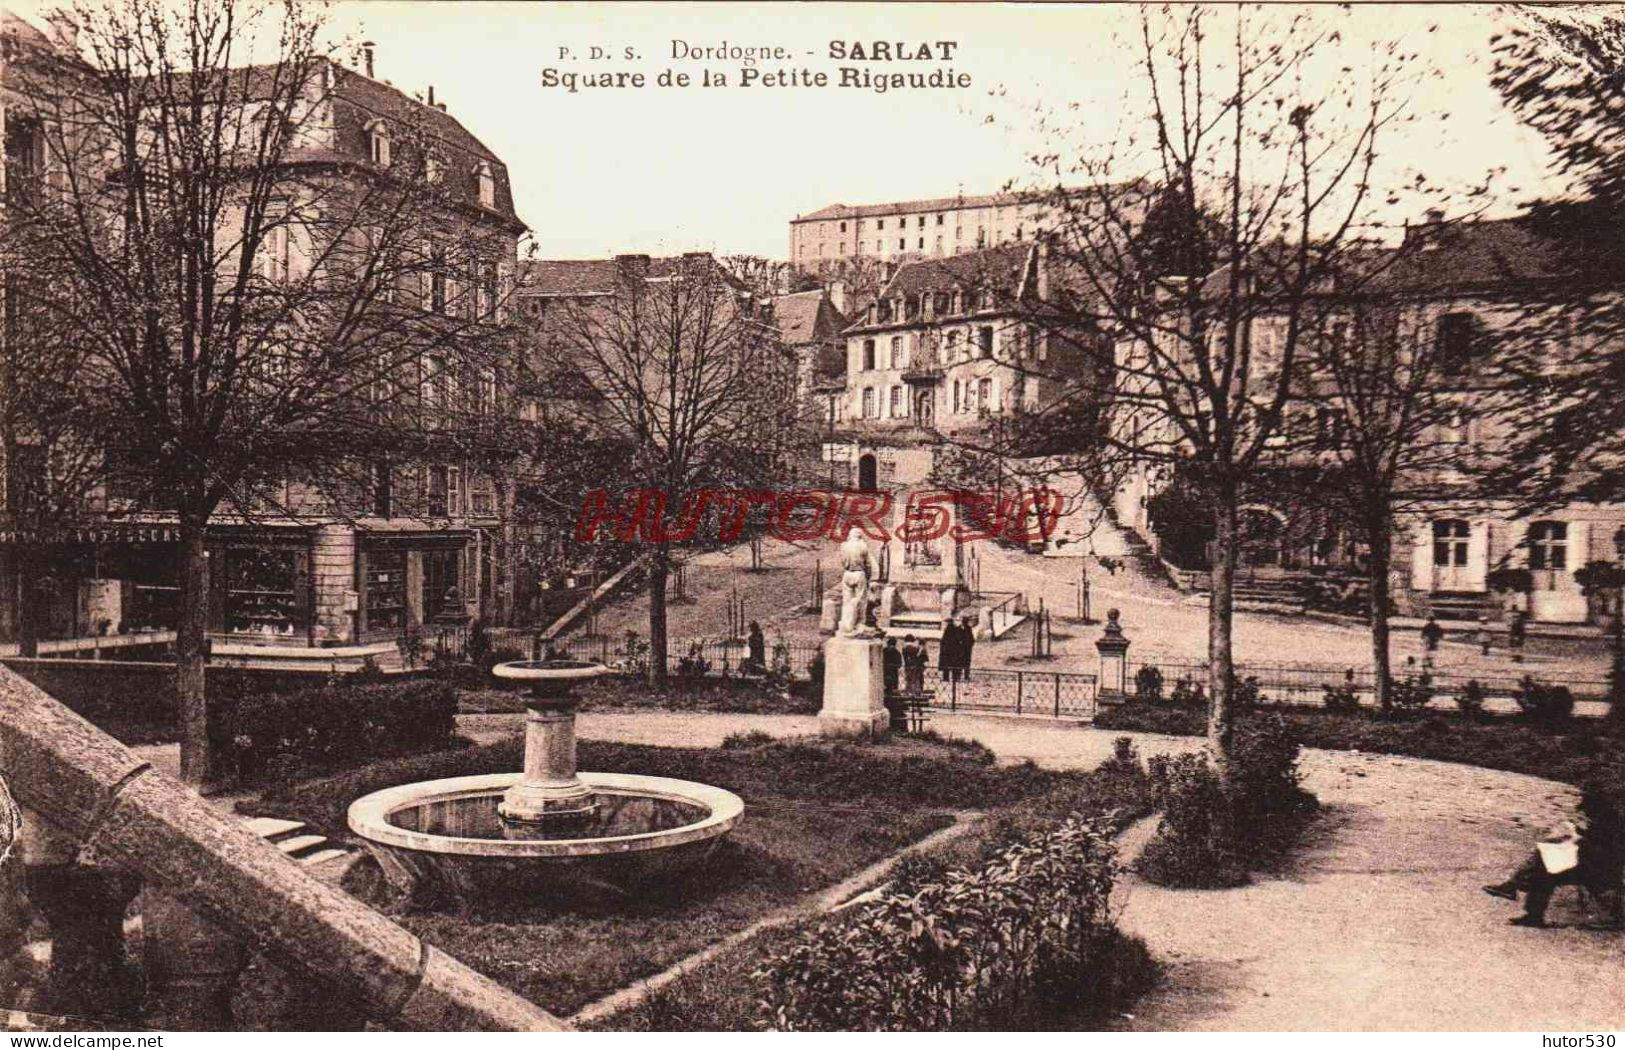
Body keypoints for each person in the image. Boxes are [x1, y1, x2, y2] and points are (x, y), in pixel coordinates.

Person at [1485, 791, 1624, 928]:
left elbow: (1606, 853)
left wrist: (1577, 840)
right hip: (1589, 865)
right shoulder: (1604, 820)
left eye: (1587, 808)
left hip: (1600, 871)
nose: (1585, 812)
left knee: (1544, 864)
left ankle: (1514, 888)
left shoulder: (1610, 824)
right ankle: (1530, 911)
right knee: (1545, 867)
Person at [938, 619, 962, 683]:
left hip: (947, 650)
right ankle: (955, 677)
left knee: (947, 665)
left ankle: (946, 678)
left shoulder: (948, 629)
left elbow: (944, 640)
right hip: (954, 650)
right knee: (954, 664)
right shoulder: (956, 629)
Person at [959, 615, 977, 680]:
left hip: (967, 648)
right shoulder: (959, 628)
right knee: (960, 662)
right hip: (961, 649)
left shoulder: (969, 628)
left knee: (966, 662)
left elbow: (972, 638)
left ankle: (966, 676)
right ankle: (959, 675)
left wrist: (970, 644)